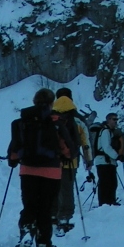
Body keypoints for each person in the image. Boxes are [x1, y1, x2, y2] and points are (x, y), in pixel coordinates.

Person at [7, 88, 72, 247]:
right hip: (51, 173)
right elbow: (67, 150)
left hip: (28, 171)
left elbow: (14, 148)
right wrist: (67, 157)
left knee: (29, 205)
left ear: (34, 101)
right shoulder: (56, 123)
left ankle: (27, 233)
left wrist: (13, 160)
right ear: (52, 103)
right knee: (45, 209)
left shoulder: (21, 122)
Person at [52, 87, 91, 236]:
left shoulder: (51, 117)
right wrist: (88, 160)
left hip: (52, 162)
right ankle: (64, 217)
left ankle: (52, 216)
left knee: (53, 189)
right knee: (67, 189)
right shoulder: (78, 119)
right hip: (71, 161)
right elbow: (86, 142)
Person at [90, 112, 124, 206]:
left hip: (107, 161)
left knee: (111, 183)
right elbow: (106, 147)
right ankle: (105, 203)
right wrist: (117, 156)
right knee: (107, 183)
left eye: (116, 119)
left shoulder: (108, 131)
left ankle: (109, 202)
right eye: (114, 119)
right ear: (108, 120)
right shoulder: (105, 131)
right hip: (104, 161)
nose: (116, 121)